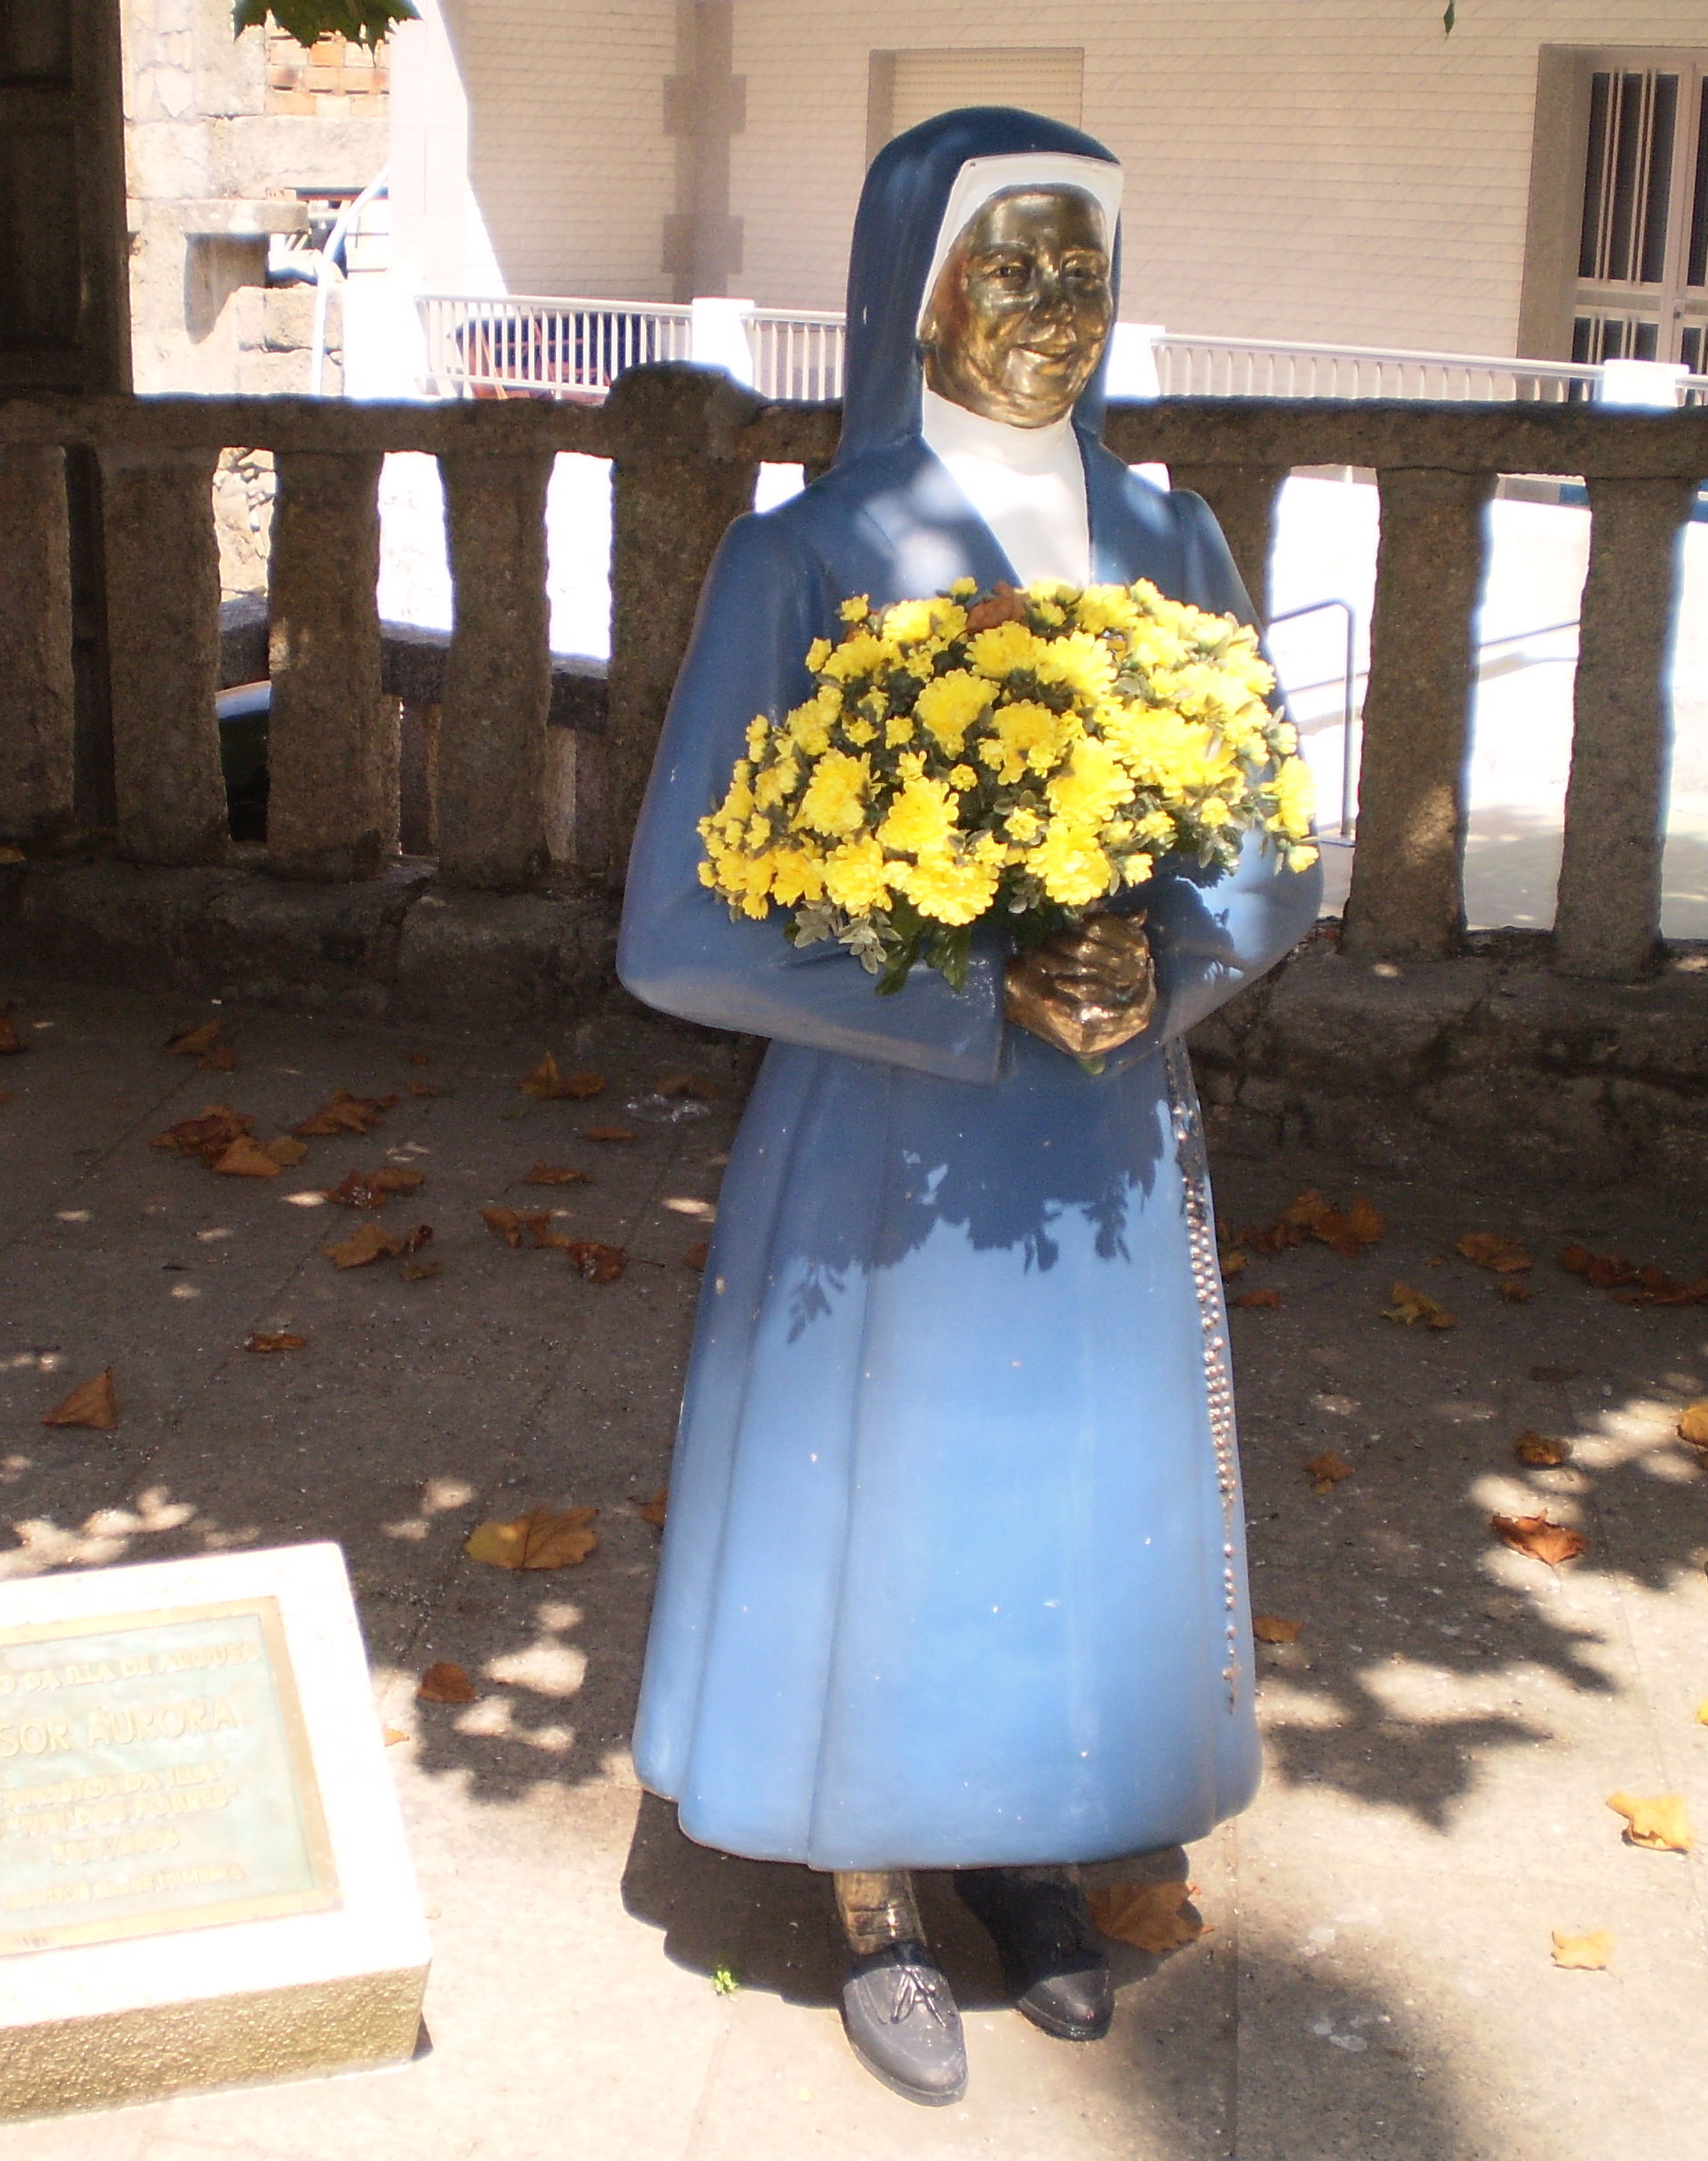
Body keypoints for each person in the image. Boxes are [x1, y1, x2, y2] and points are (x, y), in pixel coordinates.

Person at [615, 107, 1321, 2107]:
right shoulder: (810, 555)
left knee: (1068, 1490)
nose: (1051, 309)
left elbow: (1270, 849)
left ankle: (1034, 1840)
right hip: (888, 1137)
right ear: (911, 291)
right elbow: (676, 926)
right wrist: (953, 988)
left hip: (1105, 1130)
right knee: (890, 1487)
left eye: (1082, 263)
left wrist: (1168, 969)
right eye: (1005, 262)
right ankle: (869, 1893)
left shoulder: (1174, 547)